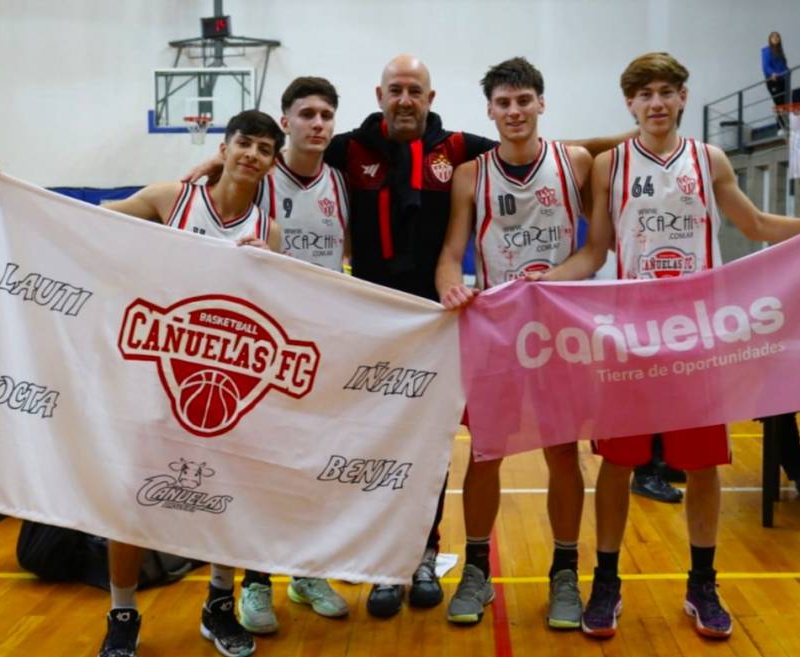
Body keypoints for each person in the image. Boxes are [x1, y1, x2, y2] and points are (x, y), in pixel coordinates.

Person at [189, 54, 632, 619]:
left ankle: (421, 555)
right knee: (341, 445)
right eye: (395, 89)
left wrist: (642, 132)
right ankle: (316, 568)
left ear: (430, 96)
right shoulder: (349, 149)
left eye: (414, 90)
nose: (405, 99)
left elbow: (543, 142)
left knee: (426, 447)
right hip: (359, 320)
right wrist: (216, 160)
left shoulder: (461, 149)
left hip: (437, 322)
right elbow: (271, 152)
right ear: (379, 95)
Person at [537, 52, 800, 641]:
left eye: (667, 91)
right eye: (645, 95)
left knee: (702, 465)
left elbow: (758, 226)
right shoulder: (609, 165)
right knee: (617, 462)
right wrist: (538, 283)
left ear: (683, 97)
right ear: (631, 104)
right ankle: (607, 581)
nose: (657, 103)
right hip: (632, 335)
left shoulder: (708, 159)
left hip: (698, 334)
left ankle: (702, 584)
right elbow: (594, 254)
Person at [0, 109, 284, 657]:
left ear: (271, 163)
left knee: (222, 498)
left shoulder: (269, 231)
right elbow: (86, 222)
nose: (253, 155)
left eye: (264, 149)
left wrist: (270, 268)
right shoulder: (171, 199)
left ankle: (218, 604)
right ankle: (123, 615)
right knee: (130, 501)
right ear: (225, 148)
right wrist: (7, 185)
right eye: (245, 144)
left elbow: (274, 312)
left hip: (221, 386)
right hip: (152, 375)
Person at [435, 57, 592, 628]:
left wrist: (560, 278)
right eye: (503, 103)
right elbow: (452, 252)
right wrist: (450, 283)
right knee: (485, 453)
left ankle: (566, 574)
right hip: (498, 330)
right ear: (490, 112)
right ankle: (477, 571)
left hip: (560, 330)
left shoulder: (574, 162)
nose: (514, 111)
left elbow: (596, 249)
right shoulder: (471, 175)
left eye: (524, 100)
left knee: (562, 453)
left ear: (541, 104)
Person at [235, 77, 352, 634]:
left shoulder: (341, 182)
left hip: (322, 342)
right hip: (267, 347)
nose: (318, 123)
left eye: (327, 114)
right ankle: (255, 581)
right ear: (285, 122)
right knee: (262, 469)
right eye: (306, 113)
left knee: (317, 466)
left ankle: (307, 572)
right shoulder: (259, 177)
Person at [761, 32, 790, 130]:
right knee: (778, 102)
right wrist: (772, 73)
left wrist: (787, 71)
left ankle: (783, 125)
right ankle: (780, 127)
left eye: (777, 36)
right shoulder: (767, 50)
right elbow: (766, 65)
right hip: (772, 80)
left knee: (783, 103)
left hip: (782, 80)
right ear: (770, 39)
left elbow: (783, 66)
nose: (776, 38)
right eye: (773, 36)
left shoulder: (780, 53)